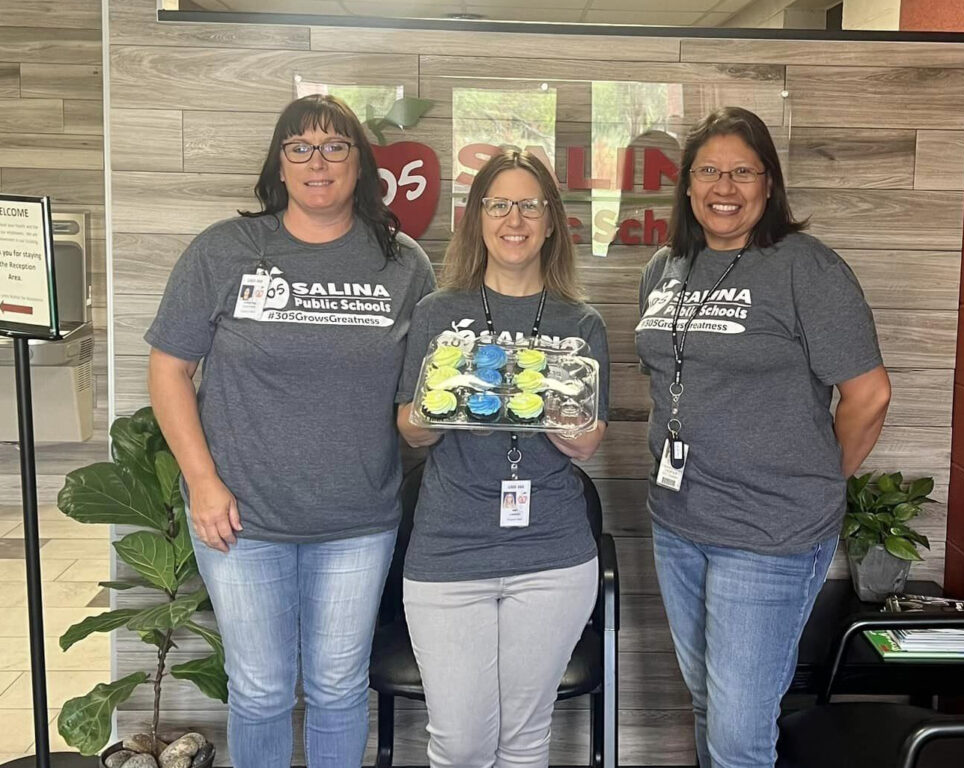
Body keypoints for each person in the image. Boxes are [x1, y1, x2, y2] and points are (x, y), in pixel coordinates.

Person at [145, 94, 435, 768]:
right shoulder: (226, 250)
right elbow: (168, 371)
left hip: (358, 520)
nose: (318, 161)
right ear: (280, 164)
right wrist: (203, 483)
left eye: (336, 147)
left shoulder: (403, 263)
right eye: (299, 147)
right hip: (240, 519)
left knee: (337, 688)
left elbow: (419, 392)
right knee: (260, 689)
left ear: (361, 165)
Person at [635, 106, 891, 768]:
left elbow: (869, 394)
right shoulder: (665, 267)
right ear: (687, 185)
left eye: (743, 171)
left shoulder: (804, 267)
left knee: (739, 736)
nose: (726, 187)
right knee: (707, 704)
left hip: (769, 536)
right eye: (710, 170)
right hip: (678, 521)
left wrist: (814, 480)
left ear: (769, 185)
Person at [396, 149, 610, 768]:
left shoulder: (581, 322)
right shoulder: (437, 314)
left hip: (552, 552)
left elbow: (590, 441)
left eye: (529, 205)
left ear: (550, 222)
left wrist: (557, 415)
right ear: (477, 218)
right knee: (459, 743)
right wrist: (441, 407)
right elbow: (408, 430)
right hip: (448, 548)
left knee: (523, 741)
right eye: (498, 204)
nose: (513, 219)